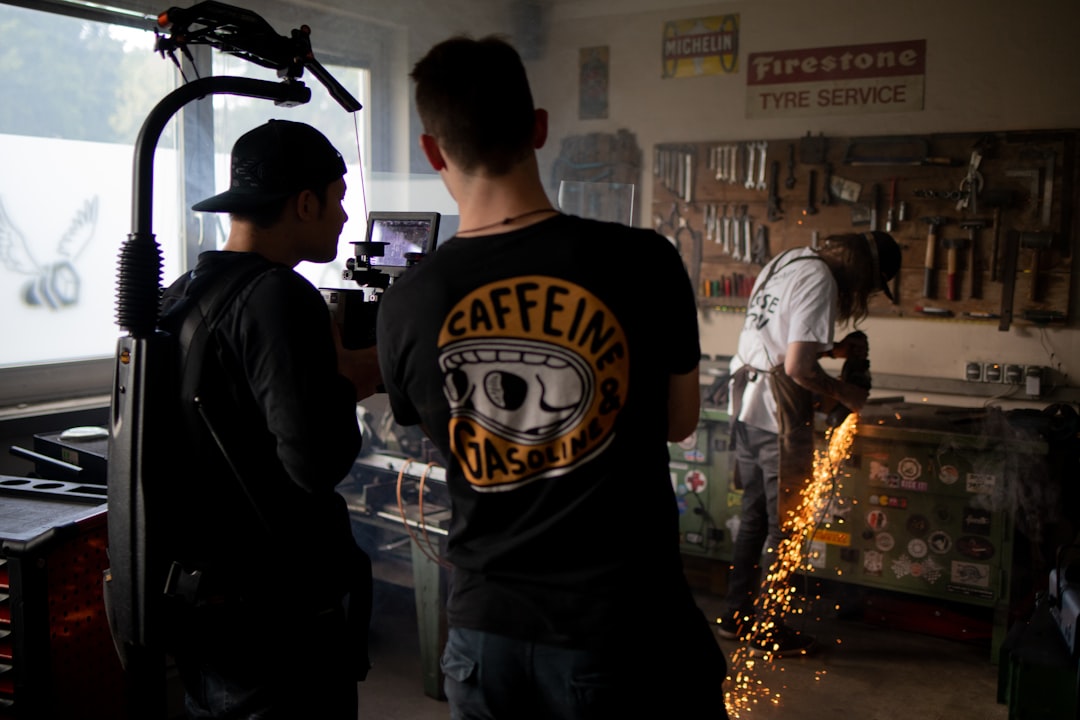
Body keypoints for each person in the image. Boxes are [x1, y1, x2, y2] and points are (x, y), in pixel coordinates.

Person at [375, 35, 730, 719]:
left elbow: (434, 432)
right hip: (618, 630)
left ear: (432, 150)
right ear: (539, 128)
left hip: (483, 636)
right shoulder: (644, 261)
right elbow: (678, 421)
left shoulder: (409, 300)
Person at [158, 119, 378, 719]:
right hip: (276, 622)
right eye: (336, 201)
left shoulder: (183, 291)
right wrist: (344, 383)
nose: (342, 218)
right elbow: (315, 463)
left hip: (207, 605)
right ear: (303, 203)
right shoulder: (281, 295)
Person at [717, 231, 901, 656]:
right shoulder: (820, 280)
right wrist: (846, 393)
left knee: (754, 519)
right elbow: (799, 368)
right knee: (786, 525)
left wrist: (833, 349)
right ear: (863, 271)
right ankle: (769, 629)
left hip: (746, 405)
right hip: (776, 419)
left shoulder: (788, 260)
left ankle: (735, 616)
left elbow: (776, 340)